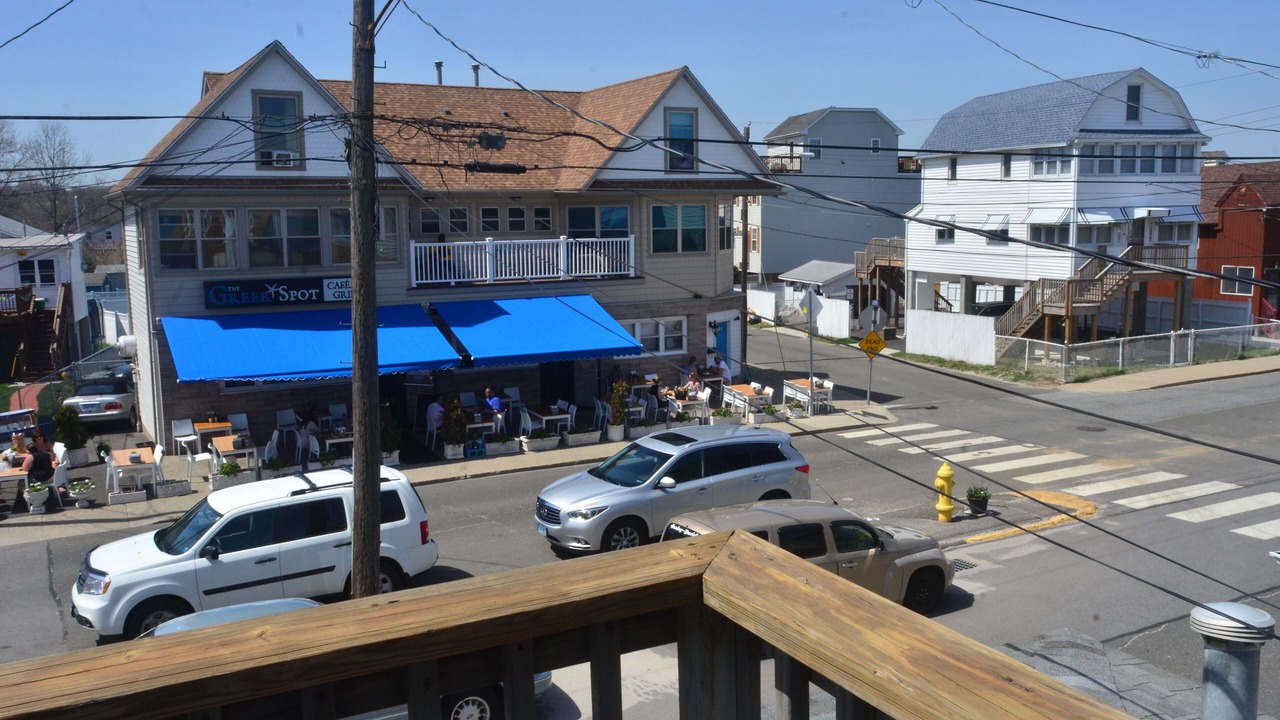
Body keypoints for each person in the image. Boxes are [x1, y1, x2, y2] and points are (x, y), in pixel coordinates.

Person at [22, 441, 57, 510]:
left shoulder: (31, 456)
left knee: (21, 483)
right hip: (51, 477)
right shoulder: (47, 454)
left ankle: (30, 499)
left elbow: (25, 468)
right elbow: (53, 457)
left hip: (39, 479)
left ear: (28, 451)